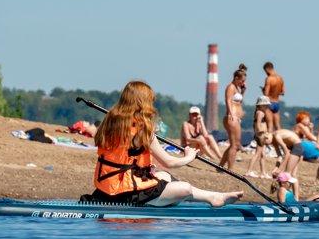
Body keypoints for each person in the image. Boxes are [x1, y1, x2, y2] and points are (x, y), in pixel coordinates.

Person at [83, 80, 243, 207]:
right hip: (125, 195)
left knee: (165, 176)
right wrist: (189, 157)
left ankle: (213, 197)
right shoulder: (142, 131)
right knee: (184, 188)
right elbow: (169, 162)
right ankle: (212, 197)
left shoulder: (109, 124)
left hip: (106, 189)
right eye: (150, 102)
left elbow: (123, 159)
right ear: (142, 104)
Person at [258, 128, 304, 199]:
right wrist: (276, 169)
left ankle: (292, 197)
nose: (267, 145)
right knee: (292, 175)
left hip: (296, 147)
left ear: (267, 138)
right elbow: (279, 156)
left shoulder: (277, 136)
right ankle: (294, 197)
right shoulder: (273, 140)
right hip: (293, 147)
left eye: (266, 144)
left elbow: (287, 154)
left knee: (287, 174)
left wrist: (280, 169)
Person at [219, 64, 247, 172]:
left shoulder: (237, 88)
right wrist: (231, 113)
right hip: (232, 117)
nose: (242, 83)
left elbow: (238, 102)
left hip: (236, 117)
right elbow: (228, 100)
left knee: (233, 144)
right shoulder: (230, 87)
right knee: (235, 145)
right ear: (236, 78)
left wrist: (243, 91)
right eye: (241, 81)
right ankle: (230, 168)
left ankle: (220, 166)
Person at [244, 96, 272, 179]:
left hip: (262, 134)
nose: (267, 106)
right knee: (257, 154)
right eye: (265, 105)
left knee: (263, 155)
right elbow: (258, 124)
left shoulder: (260, 112)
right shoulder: (260, 113)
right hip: (261, 135)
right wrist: (261, 133)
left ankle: (263, 172)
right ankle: (249, 171)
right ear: (260, 105)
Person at [262, 61, 285, 131]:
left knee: (270, 126)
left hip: (269, 103)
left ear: (267, 69)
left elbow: (266, 94)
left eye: (265, 71)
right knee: (278, 126)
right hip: (277, 103)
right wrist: (275, 92)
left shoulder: (268, 79)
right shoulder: (280, 78)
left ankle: (269, 141)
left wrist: (263, 90)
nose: (265, 73)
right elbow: (283, 93)